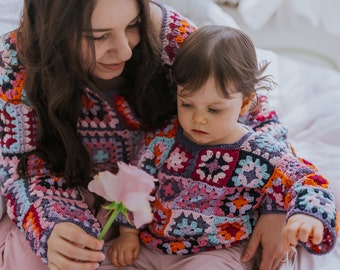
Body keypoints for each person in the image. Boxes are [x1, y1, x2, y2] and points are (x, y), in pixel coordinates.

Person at [0, 0, 322, 269]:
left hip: (162, 201)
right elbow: (22, 171)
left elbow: (254, 114)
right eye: (98, 37)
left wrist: (276, 206)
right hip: (76, 189)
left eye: (132, 24)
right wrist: (54, 226)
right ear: (53, 33)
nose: (125, 50)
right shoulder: (17, 65)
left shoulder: (166, 33)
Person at [108, 25, 338, 270]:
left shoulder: (259, 153)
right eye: (187, 104)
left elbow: (308, 180)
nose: (198, 119)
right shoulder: (162, 140)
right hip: (153, 245)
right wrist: (127, 233)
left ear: (245, 104)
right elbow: (134, 184)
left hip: (217, 252)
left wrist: (307, 215)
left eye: (214, 109)